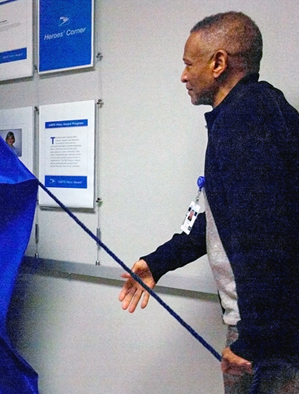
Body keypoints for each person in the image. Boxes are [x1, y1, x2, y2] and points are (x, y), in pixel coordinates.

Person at [118, 12, 299, 393]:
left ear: (218, 63)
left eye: (188, 64)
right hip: (266, 333)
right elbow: (217, 218)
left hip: (270, 342)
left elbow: (267, 240)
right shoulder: (249, 116)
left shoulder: (245, 123)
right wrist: (158, 263)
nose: (183, 76)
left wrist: (252, 341)